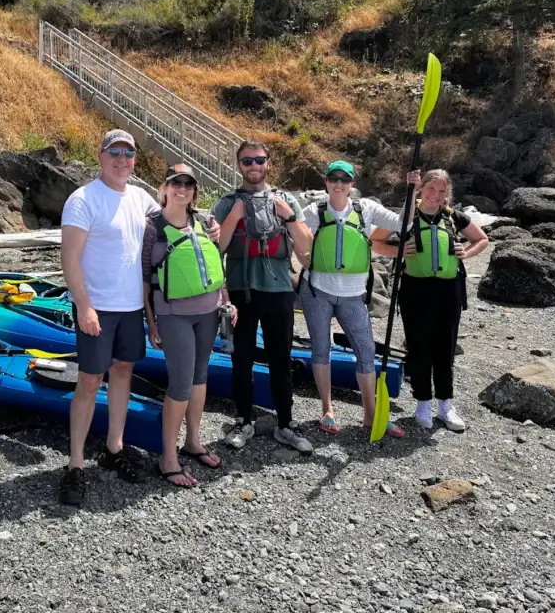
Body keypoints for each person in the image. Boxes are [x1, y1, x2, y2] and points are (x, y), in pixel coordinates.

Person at [59, 130, 220, 506]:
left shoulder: (141, 197)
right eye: (114, 152)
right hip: (97, 306)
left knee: (123, 372)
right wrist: (83, 305)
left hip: (132, 307)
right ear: (100, 157)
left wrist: (209, 223)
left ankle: (114, 447)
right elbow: (69, 258)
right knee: (88, 380)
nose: (121, 159)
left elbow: (175, 218)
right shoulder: (82, 200)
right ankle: (76, 464)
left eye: (128, 154)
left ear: (134, 160)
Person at [294, 161, 421, 437]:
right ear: (326, 182)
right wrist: (299, 253)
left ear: (352, 184)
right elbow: (295, 233)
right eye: (333, 178)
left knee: (365, 351)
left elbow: (405, 223)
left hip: (353, 295)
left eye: (344, 179)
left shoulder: (367, 210)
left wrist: (412, 192)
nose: (338, 183)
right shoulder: (313, 211)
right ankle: (327, 409)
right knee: (321, 349)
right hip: (317, 291)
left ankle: (370, 413)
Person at [212, 141, 313, 453]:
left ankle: (285, 423)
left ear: (268, 163)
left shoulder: (286, 200)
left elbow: (306, 249)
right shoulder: (227, 203)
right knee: (240, 358)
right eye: (246, 161)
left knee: (280, 358)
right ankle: (243, 420)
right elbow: (218, 247)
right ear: (239, 165)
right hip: (241, 290)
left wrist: (289, 217)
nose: (253, 166)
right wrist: (236, 215)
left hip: (280, 290)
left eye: (258, 160)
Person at [142, 164, 234, 487]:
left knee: (199, 377)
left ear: (194, 190)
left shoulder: (204, 222)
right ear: (164, 188)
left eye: (188, 184)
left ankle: (193, 441)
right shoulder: (152, 228)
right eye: (175, 182)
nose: (181, 188)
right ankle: (168, 458)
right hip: (173, 315)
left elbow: (214, 264)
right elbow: (144, 280)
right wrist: (151, 321)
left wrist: (226, 299)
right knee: (180, 384)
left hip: (208, 311)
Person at [398, 169, 489, 432]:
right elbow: (378, 241)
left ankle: (445, 405)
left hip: (449, 290)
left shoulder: (453, 217)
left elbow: (482, 239)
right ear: (422, 188)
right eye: (431, 189)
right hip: (415, 289)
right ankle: (422, 403)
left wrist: (467, 253)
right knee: (418, 346)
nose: (435, 196)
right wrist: (399, 250)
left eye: (441, 191)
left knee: (445, 347)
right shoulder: (409, 216)